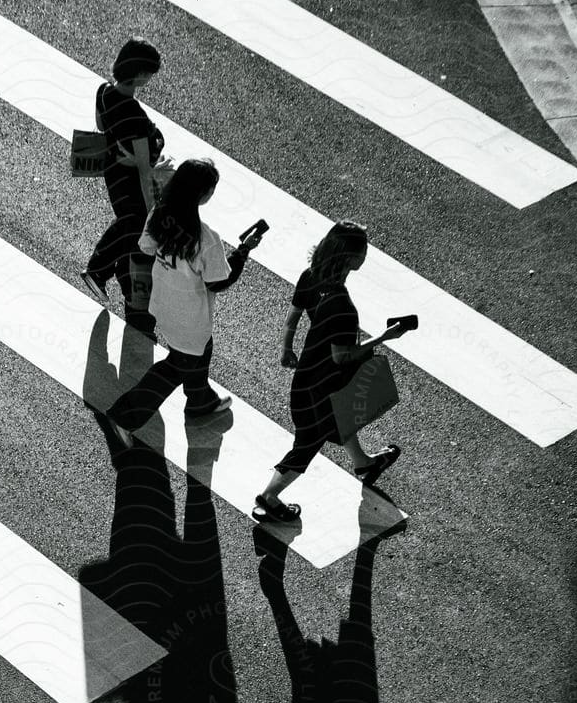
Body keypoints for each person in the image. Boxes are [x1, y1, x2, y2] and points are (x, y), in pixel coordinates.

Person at [252, 221, 411, 524]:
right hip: (324, 385)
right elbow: (343, 355)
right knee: (308, 443)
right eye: (364, 251)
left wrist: (286, 349)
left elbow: (292, 318)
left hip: (307, 377)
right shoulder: (343, 308)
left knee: (339, 417)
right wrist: (383, 338)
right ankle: (268, 498)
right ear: (351, 258)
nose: (366, 256)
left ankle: (364, 464)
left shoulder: (309, 277)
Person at [103, 159, 255, 443]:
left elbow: (146, 247)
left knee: (194, 359)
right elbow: (219, 282)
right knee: (174, 368)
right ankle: (125, 416)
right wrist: (241, 254)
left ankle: (201, 402)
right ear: (202, 194)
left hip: (163, 306)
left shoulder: (159, 216)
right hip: (192, 321)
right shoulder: (207, 239)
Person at [81, 38, 164, 333]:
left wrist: (122, 149)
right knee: (137, 225)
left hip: (113, 173)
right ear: (140, 74)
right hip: (130, 179)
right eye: (150, 73)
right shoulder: (135, 115)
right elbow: (144, 170)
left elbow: (102, 127)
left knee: (131, 229)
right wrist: (152, 207)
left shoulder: (103, 92)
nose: (151, 78)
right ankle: (99, 269)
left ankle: (113, 275)